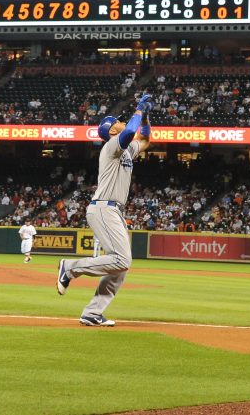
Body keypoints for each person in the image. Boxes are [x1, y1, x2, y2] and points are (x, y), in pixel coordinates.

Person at [56, 93, 153, 327]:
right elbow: (130, 131)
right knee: (122, 259)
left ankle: (92, 313)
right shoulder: (112, 146)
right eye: (117, 120)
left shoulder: (127, 150)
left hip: (114, 210)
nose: (122, 121)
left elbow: (146, 140)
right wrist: (138, 110)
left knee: (120, 268)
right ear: (111, 131)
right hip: (103, 207)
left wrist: (146, 117)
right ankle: (70, 268)